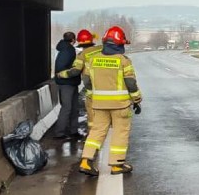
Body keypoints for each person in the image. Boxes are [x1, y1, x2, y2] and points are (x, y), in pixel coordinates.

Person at [79, 26, 141, 176]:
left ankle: (86, 161)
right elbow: (131, 83)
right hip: (120, 105)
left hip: (99, 104)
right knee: (120, 132)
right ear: (119, 44)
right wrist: (137, 99)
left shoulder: (93, 59)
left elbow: (86, 81)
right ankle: (116, 165)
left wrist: (93, 95)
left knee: (96, 132)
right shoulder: (123, 61)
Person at [56, 29, 102, 134]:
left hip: (83, 86)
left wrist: (62, 74)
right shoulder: (100, 50)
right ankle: (63, 132)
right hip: (104, 86)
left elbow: (74, 70)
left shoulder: (78, 53)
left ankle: (86, 133)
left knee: (81, 109)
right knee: (69, 107)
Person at [53, 31, 79, 140]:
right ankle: (59, 133)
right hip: (67, 83)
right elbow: (62, 67)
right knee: (67, 108)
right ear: (73, 40)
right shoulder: (69, 50)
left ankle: (73, 131)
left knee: (73, 108)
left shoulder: (64, 49)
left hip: (68, 83)